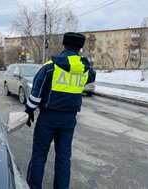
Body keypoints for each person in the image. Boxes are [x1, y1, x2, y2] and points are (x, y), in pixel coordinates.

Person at [24, 32, 96, 189]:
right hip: (69, 120)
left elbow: (36, 93)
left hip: (48, 118)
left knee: (39, 155)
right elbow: (91, 77)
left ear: (63, 46)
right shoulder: (84, 69)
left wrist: (29, 110)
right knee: (64, 158)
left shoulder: (50, 66)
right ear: (80, 49)